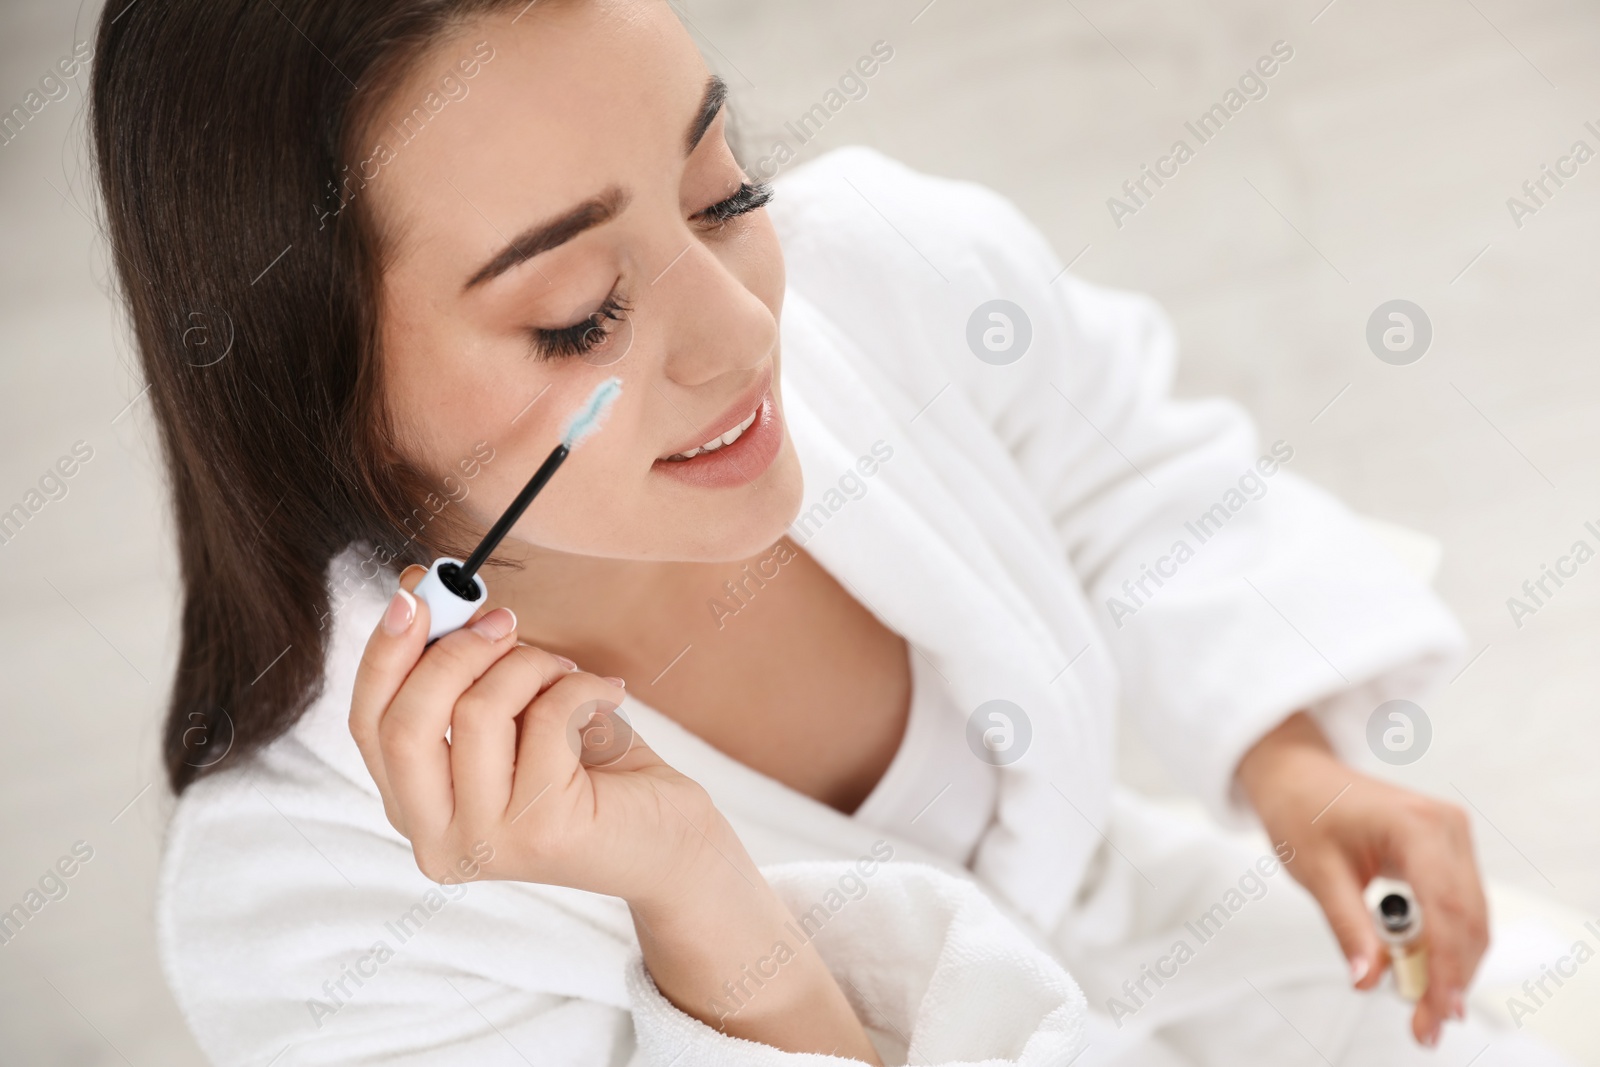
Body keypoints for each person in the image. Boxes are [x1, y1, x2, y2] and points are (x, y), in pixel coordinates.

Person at [90, 0, 1573, 1063]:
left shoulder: (891, 268)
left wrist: (1289, 762)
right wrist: (692, 895)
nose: (743, 333)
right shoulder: (310, 920)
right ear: (319, 389)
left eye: (723, 188)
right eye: (577, 314)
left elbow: (1129, 478)